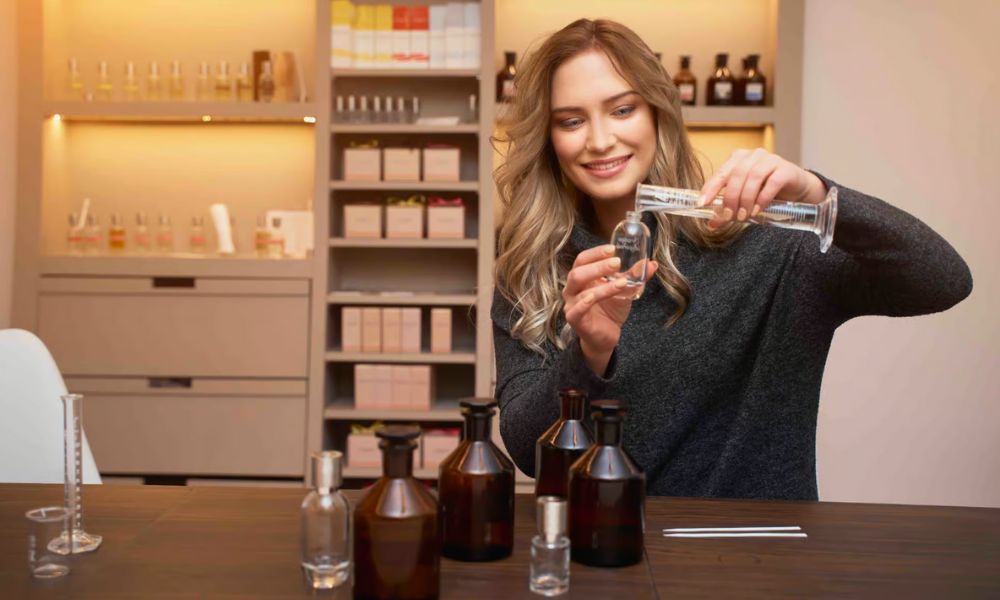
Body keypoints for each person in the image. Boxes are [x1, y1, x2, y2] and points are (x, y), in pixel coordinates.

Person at [491, 19, 972, 500]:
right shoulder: (531, 269)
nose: (598, 140)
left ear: (658, 112)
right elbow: (528, 452)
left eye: (622, 109)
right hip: (605, 550)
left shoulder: (767, 247)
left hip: (756, 560)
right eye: (571, 120)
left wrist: (817, 193)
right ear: (549, 138)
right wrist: (588, 354)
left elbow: (941, 279)